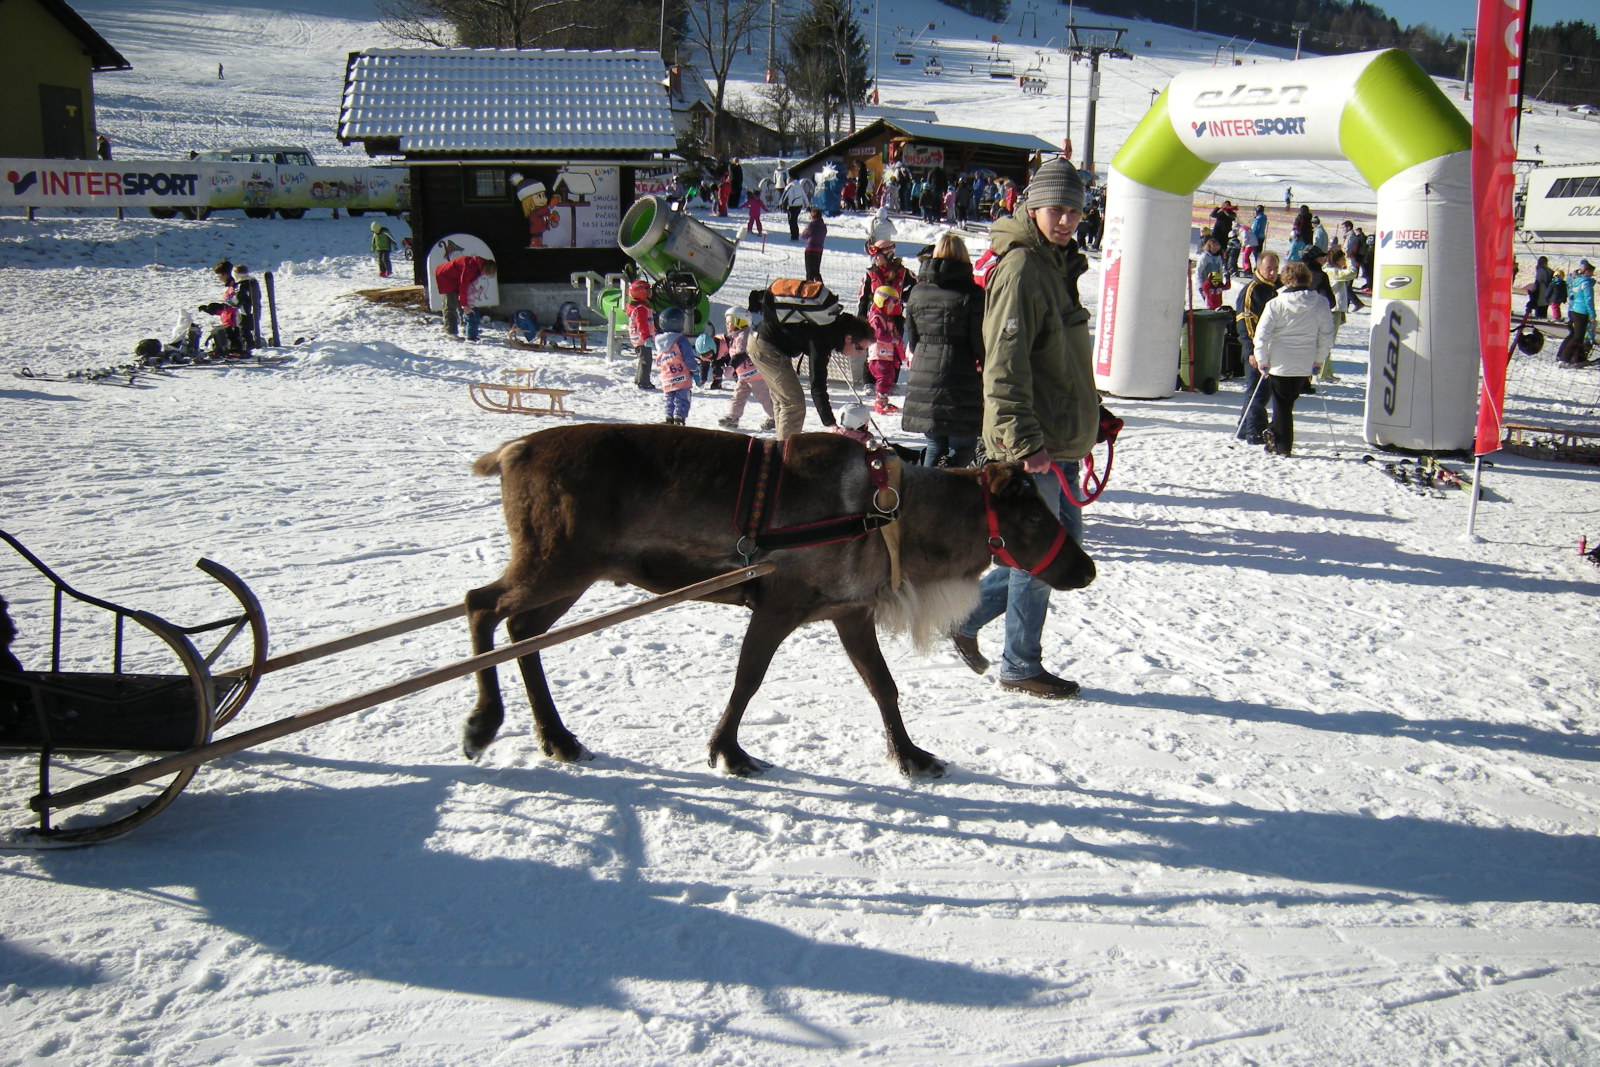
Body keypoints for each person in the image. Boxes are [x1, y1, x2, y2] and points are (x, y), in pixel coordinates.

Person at [950, 157, 1102, 700]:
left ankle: (964, 621)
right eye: (1056, 209)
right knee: (1042, 559)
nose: (1065, 220)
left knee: (1048, 555)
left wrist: (1094, 414)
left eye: (1074, 211)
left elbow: (1060, 360)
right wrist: (1024, 443)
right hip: (1031, 446)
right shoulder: (1021, 270)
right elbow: (1003, 364)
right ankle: (1021, 664)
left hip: (1059, 440)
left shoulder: (1056, 264)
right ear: (1033, 208)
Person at [902, 232, 985, 468]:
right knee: (964, 447)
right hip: (958, 377)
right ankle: (949, 493)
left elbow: (913, 338)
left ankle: (927, 494)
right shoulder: (972, 294)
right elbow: (978, 340)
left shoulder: (917, 292)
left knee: (935, 446)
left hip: (922, 375)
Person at [745, 296, 871, 441]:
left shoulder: (833, 327)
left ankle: (781, 449)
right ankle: (786, 455)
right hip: (766, 345)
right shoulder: (825, 337)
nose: (859, 354)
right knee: (794, 403)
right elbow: (817, 385)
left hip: (764, 341)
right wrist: (830, 424)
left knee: (784, 401)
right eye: (859, 348)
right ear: (849, 338)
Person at [1253, 260, 1333, 456]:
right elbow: (1326, 335)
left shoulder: (1275, 304)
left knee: (1282, 405)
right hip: (1304, 362)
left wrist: (1261, 360)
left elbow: (1262, 334)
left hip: (1279, 362)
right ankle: (1274, 433)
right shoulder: (1321, 303)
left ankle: (1282, 445)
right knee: (1287, 402)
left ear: (1286, 279)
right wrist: (1319, 359)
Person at [1233, 252, 1281, 445]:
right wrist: (1251, 349)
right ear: (1259, 267)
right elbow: (1245, 323)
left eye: (1276, 269)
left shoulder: (1274, 289)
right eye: (1269, 268)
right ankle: (1253, 430)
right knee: (1257, 390)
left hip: (1269, 347)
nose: (1272, 272)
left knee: (1262, 390)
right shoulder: (1252, 290)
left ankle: (1245, 427)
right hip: (1255, 349)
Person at [718, 308, 775, 431]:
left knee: (765, 398)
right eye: (726, 321)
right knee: (738, 397)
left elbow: (742, 354)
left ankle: (776, 417)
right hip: (744, 376)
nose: (727, 324)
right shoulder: (734, 336)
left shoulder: (744, 335)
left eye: (730, 321)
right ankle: (732, 418)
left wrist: (731, 367)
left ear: (740, 322)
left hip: (756, 376)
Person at [432, 254, 496, 338]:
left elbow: (466, 285)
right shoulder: (470, 266)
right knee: (450, 303)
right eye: (486, 273)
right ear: (485, 268)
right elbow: (463, 285)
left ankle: (466, 327)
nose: (485, 275)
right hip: (445, 276)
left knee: (462, 303)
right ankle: (450, 331)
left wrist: (464, 302)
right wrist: (465, 305)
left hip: (455, 278)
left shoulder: (478, 267)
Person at [653, 305, 697, 424]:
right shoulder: (681, 340)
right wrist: (695, 369)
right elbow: (688, 357)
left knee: (669, 397)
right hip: (681, 374)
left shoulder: (659, 341)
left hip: (667, 375)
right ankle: (679, 416)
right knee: (682, 397)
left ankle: (668, 416)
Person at [1319, 245, 1358, 381]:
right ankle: (1323, 373)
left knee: (1328, 342)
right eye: (1342, 259)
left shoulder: (1328, 270)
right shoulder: (1333, 272)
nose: (1344, 263)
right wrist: (1350, 259)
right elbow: (1352, 273)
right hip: (1332, 310)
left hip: (1334, 310)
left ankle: (1327, 371)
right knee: (1327, 342)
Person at [866, 285, 906, 414]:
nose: (892, 308)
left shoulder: (887, 317)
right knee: (884, 377)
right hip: (878, 355)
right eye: (890, 305)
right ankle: (880, 403)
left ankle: (883, 400)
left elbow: (894, 332)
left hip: (887, 354)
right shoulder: (876, 317)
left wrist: (898, 341)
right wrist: (892, 339)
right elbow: (878, 334)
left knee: (889, 377)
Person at [1556, 260, 1594, 366]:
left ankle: (1579, 357)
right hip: (1581, 311)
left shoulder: (1576, 280)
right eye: (1591, 272)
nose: (1592, 274)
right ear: (1587, 271)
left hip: (1574, 309)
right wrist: (1592, 315)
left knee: (1577, 335)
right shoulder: (1585, 283)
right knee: (1577, 336)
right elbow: (1588, 300)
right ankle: (1564, 358)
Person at [625, 280, 656, 389]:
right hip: (642, 339)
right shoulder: (641, 308)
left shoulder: (638, 306)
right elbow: (642, 324)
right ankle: (643, 382)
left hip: (638, 339)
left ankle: (638, 379)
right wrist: (647, 337)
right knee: (646, 361)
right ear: (641, 292)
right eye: (647, 290)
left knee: (642, 359)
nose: (649, 293)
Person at [229, 265, 263, 350]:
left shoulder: (241, 286)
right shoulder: (253, 283)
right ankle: (253, 344)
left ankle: (248, 347)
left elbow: (237, 301)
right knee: (252, 329)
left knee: (244, 331)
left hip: (244, 313)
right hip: (255, 311)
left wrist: (229, 301)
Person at [1197, 237, 1227, 309]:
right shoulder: (1205, 257)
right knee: (1209, 304)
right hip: (1206, 285)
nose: (1216, 248)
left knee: (1216, 303)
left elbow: (1220, 270)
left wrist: (1220, 282)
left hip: (1215, 284)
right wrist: (1200, 285)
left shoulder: (1218, 257)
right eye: (1214, 246)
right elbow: (1199, 271)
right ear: (1209, 247)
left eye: (1217, 246)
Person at [801, 208, 827, 282]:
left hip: (810, 249)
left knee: (809, 272)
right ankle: (820, 287)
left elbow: (803, 235)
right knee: (816, 271)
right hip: (819, 249)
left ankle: (810, 288)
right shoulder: (823, 226)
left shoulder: (811, 224)